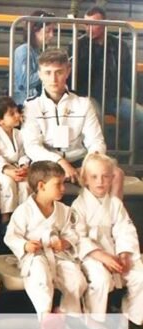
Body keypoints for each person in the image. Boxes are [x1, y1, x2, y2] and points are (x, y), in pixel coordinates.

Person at [22, 48, 125, 199]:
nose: (53, 79)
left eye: (59, 72)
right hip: (47, 164)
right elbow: (32, 146)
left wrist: (89, 165)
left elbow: (96, 141)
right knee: (26, 182)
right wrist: (61, 163)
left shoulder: (83, 103)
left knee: (116, 174)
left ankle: (112, 214)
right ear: (40, 74)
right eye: (48, 73)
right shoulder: (31, 105)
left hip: (79, 161)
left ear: (68, 71)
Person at [4, 161, 87, 329]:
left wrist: (64, 242)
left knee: (77, 280)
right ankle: (46, 315)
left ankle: (65, 313)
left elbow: (71, 233)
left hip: (59, 254)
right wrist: (25, 245)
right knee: (40, 278)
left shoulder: (64, 210)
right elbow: (11, 236)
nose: (63, 188)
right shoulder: (24, 210)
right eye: (58, 184)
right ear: (41, 186)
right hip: (35, 255)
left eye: (63, 183)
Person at [71, 153, 143, 329]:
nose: (100, 182)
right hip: (91, 255)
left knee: (139, 276)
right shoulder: (78, 206)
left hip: (116, 251)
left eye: (105, 176)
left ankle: (131, 316)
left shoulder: (115, 204)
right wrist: (101, 256)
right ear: (85, 179)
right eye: (94, 177)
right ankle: (94, 319)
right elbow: (77, 238)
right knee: (101, 279)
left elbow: (125, 229)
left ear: (112, 178)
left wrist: (124, 253)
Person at [71, 6, 143, 152]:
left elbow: (129, 74)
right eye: (86, 24)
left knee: (140, 116)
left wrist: (134, 97)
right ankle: (98, 156)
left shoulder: (119, 45)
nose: (88, 28)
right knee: (94, 117)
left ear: (104, 24)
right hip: (89, 96)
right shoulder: (78, 45)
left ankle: (123, 150)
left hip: (114, 97)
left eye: (94, 24)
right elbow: (75, 76)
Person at [0, 96, 30, 224]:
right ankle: (6, 218)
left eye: (17, 111)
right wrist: (7, 170)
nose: (17, 115)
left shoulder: (19, 133)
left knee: (25, 184)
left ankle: (24, 217)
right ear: (0, 121)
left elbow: (23, 153)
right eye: (12, 114)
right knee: (8, 183)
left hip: (16, 166)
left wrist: (23, 166)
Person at [12, 10, 55, 106]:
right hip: (24, 104)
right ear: (34, 30)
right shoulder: (23, 50)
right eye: (47, 31)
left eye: (53, 31)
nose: (52, 35)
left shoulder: (40, 51)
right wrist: (49, 70)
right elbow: (25, 82)